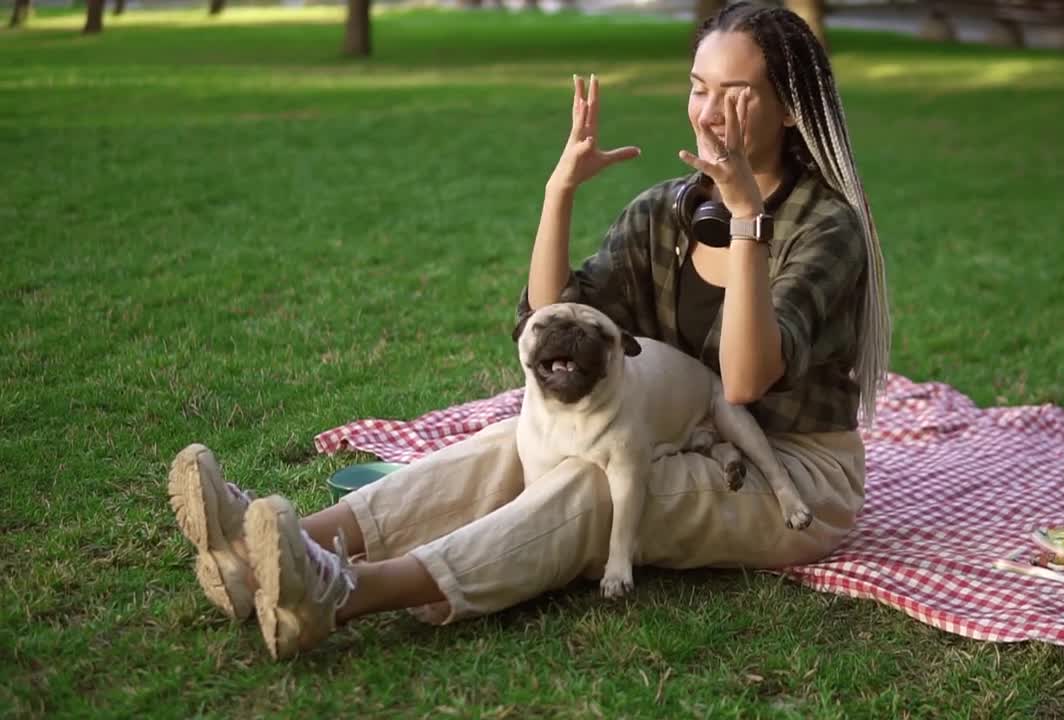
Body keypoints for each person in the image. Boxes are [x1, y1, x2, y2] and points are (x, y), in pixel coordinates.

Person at [167, 1, 890, 660]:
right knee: (513, 439)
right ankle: (264, 547)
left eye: (736, 94)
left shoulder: (827, 228)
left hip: (793, 473)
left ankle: (342, 593)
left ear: (791, 110)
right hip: (671, 429)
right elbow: (546, 318)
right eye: (699, 87)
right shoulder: (666, 210)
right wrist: (560, 192)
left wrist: (747, 225)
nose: (708, 113)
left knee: (590, 484)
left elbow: (742, 380)